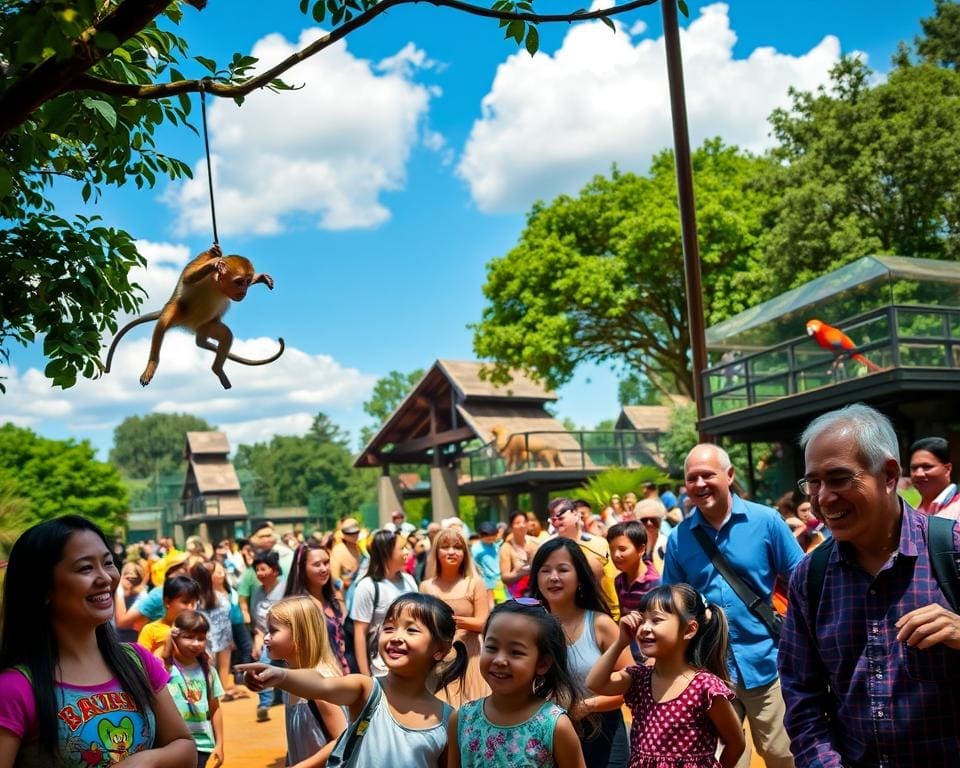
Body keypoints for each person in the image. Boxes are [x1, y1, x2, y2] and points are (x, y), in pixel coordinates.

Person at [779, 403, 960, 767]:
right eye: (813, 481)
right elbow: (803, 699)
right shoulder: (810, 577)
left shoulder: (952, 552)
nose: (824, 497)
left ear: (889, 474)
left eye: (840, 478)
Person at [0, 515, 195, 767]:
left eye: (108, 563)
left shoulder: (137, 661)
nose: (105, 578)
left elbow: (186, 748)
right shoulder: (14, 689)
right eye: (85, 568)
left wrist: (147, 761)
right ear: (44, 588)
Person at [663, 444, 802, 768]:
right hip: (710, 670)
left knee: (782, 754)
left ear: (729, 475)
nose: (699, 484)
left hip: (767, 662)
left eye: (707, 475)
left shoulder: (766, 521)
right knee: (722, 759)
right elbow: (670, 603)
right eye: (691, 478)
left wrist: (800, 636)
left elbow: (803, 578)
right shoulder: (679, 538)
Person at [240, 593, 466, 768]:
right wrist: (281, 675)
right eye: (388, 628)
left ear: (440, 649)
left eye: (412, 630)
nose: (396, 637)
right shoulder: (367, 689)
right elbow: (321, 683)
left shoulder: (448, 719)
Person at [587, 584, 745, 768]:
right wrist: (621, 642)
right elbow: (595, 683)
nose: (645, 628)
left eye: (656, 620)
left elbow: (736, 743)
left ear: (688, 630)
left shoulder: (705, 687)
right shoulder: (639, 678)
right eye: (642, 620)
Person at [529, 538, 632, 768]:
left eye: (563, 569)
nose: (553, 577)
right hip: (547, 732)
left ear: (579, 577)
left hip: (604, 734)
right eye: (545, 570)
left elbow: (631, 684)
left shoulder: (600, 624)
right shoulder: (529, 627)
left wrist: (588, 706)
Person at [448, 600, 586, 768]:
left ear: (542, 663)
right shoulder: (462, 718)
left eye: (516, 652)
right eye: (491, 647)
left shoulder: (554, 726)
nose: (499, 660)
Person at [264, 597, 347, 768]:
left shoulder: (321, 683)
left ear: (299, 637)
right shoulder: (290, 679)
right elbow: (297, 741)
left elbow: (343, 740)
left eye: (273, 631)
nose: (266, 638)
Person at [420, 528, 490, 706]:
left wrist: (450, 621)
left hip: (470, 660)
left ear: (465, 553)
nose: (451, 551)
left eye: (457, 547)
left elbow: (484, 623)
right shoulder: (426, 587)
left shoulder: (475, 584)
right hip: (437, 662)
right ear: (436, 552)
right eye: (445, 547)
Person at [161, 610, 225, 768]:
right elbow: (164, 657)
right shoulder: (166, 668)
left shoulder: (208, 672)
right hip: (170, 745)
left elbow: (215, 708)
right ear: (176, 638)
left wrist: (220, 744)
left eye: (201, 638)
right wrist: (170, 637)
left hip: (202, 745)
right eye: (188, 637)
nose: (196, 643)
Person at [350, 529, 418, 676]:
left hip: (412, 665)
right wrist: (366, 676)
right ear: (387, 552)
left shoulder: (410, 580)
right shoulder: (367, 587)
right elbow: (360, 633)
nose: (408, 552)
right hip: (381, 669)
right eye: (402, 548)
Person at [284, 540, 351, 674]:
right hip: (315, 681)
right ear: (302, 568)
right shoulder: (298, 606)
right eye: (317, 565)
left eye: (326, 562)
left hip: (341, 674)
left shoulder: (333, 598)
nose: (324, 569)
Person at [548, 498, 621, 620]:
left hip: (606, 612)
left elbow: (613, 578)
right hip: (569, 617)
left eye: (560, 516)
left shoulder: (598, 543)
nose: (556, 520)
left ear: (576, 515)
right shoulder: (548, 548)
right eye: (553, 518)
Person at [251, 549, 287, 722]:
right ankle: (264, 704)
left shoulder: (286, 588)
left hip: (287, 638)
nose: (260, 573)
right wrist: (257, 642)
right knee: (262, 665)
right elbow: (258, 624)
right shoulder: (258, 592)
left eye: (263, 569)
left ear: (274, 569)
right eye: (257, 570)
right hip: (267, 638)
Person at [137, 575, 201, 656]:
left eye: (194, 603)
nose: (191, 607)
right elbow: (141, 662)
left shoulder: (197, 629)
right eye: (185, 602)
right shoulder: (150, 630)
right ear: (167, 601)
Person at [607, 522, 659, 618]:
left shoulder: (654, 583)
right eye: (612, 549)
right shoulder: (619, 581)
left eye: (622, 549)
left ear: (641, 549)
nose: (616, 555)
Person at [909, 436, 960, 517]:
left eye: (927, 467)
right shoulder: (911, 513)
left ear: (947, 469)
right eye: (914, 468)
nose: (918, 474)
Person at [500, 510, 540, 599]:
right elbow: (504, 577)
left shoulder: (535, 542)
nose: (522, 525)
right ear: (511, 527)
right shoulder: (506, 547)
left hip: (536, 593)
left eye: (524, 522)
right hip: (516, 596)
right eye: (517, 523)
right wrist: (519, 574)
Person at [472, 521, 504, 606]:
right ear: (480, 535)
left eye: (492, 534)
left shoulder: (496, 546)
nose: (489, 537)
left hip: (499, 581)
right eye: (486, 535)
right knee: (490, 605)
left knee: (502, 604)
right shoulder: (476, 548)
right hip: (486, 581)